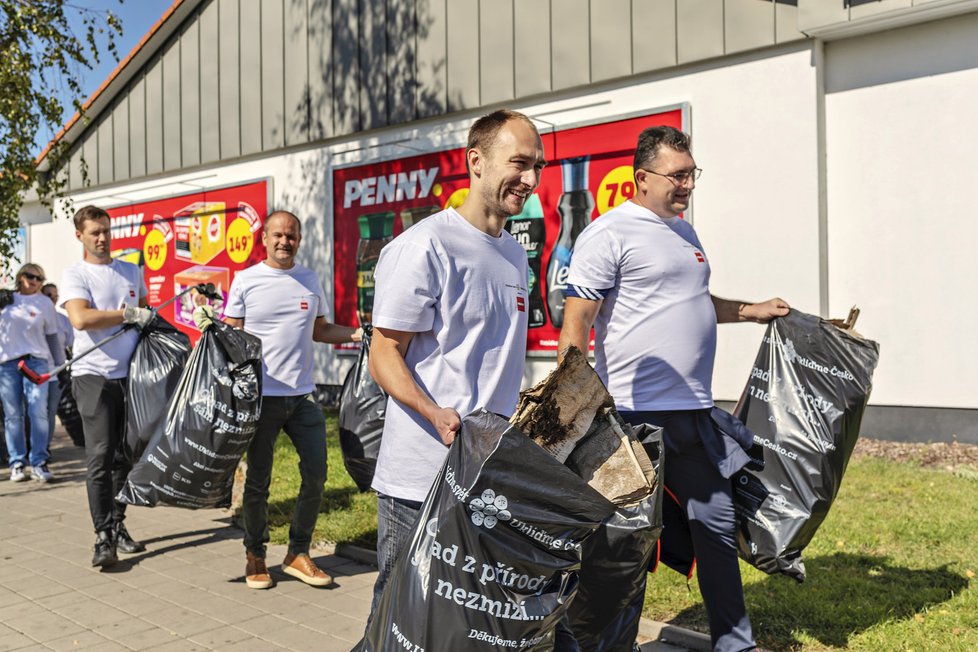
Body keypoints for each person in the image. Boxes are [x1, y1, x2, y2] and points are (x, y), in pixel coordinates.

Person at [557, 125, 789, 652]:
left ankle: (735, 641)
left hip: (694, 412)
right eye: (677, 175)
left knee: (716, 522)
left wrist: (749, 311)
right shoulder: (609, 232)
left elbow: (692, 303)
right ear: (642, 177)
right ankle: (602, 643)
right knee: (624, 538)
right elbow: (577, 323)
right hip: (633, 416)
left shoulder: (685, 234)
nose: (687, 185)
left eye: (692, 174)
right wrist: (575, 406)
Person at [364, 108, 545, 613]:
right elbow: (383, 353)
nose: (529, 180)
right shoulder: (426, 245)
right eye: (519, 163)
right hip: (421, 476)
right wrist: (433, 411)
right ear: (476, 162)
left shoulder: (513, 254)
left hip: (488, 472)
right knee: (401, 614)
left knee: (466, 619)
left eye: (538, 167)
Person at [202, 210, 361, 591]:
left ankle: (297, 553)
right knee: (258, 482)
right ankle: (255, 554)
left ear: (299, 240)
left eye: (291, 235)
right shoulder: (247, 281)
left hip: (303, 397)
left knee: (317, 475)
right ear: (265, 239)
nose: (284, 241)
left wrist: (358, 334)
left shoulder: (308, 279)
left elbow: (320, 330)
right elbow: (232, 339)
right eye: (277, 235)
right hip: (261, 400)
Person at [61, 205, 152, 567]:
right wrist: (127, 314)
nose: (102, 237)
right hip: (92, 376)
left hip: (131, 376)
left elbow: (148, 314)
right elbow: (81, 318)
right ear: (80, 235)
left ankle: (118, 524)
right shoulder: (75, 274)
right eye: (94, 232)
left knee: (125, 457)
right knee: (99, 456)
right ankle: (102, 537)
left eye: (106, 230)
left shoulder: (131, 271)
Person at [0, 263, 63, 483]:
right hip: (7, 364)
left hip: (36, 362)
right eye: (31, 276)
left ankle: (39, 461)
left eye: (40, 278)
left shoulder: (44, 303)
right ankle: (17, 462)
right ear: (20, 277)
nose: (35, 281)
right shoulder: (5, 299)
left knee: (38, 413)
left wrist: (60, 367)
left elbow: (53, 337)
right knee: (13, 415)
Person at [41, 283, 74, 448]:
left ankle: (44, 448)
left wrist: (66, 370)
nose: (52, 298)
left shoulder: (63, 320)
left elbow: (71, 346)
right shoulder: (35, 316)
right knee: (33, 414)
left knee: (49, 413)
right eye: (48, 295)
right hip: (35, 373)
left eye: (55, 295)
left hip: (56, 373)